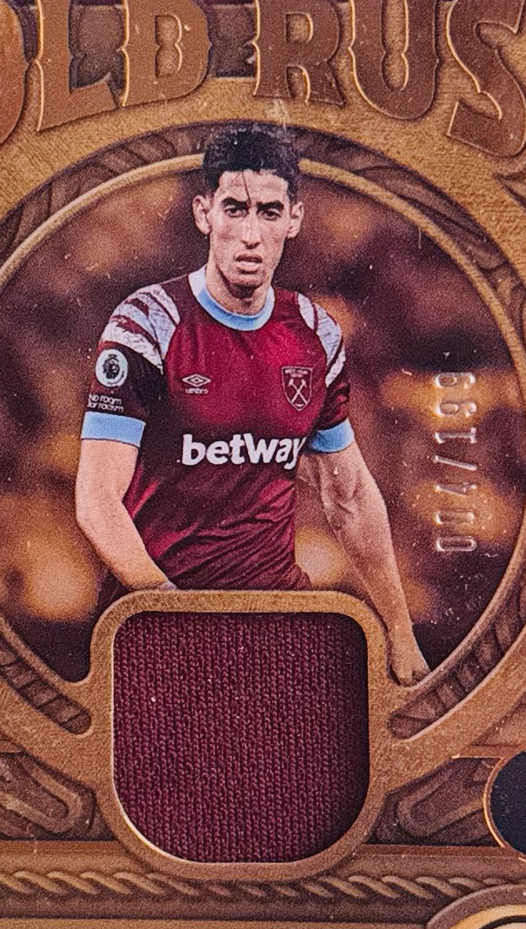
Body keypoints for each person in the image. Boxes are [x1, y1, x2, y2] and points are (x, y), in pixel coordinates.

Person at [75, 123, 428, 683]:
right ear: (204, 213)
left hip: (275, 624)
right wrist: (175, 618)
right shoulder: (146, 324)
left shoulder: (314, 333)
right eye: (234, 209)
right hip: (159, 625)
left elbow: (350, 497)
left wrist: (401, 634)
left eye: (268, 212)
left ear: (294, 219)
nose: (250, 235)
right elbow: (97, 502)